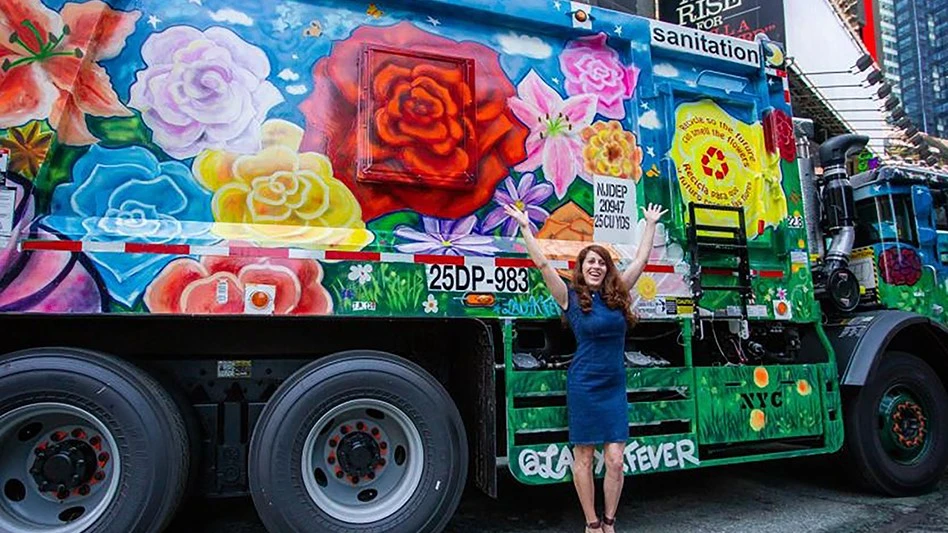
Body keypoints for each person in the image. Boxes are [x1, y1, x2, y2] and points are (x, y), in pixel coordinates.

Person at [504, 202, 668, 533]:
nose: (595, 266)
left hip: (613, 385)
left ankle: (610, 520)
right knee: (583, 458)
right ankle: (592, 524)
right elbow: (542, 264)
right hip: (584, 385)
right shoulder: (571, 298)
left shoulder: (618, 295)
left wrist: (649, 223)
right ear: (582, 268)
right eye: (590, 262)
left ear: (608, 269)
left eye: (601, 262)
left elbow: (641, 261)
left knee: (615, 460)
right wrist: (525, 226)